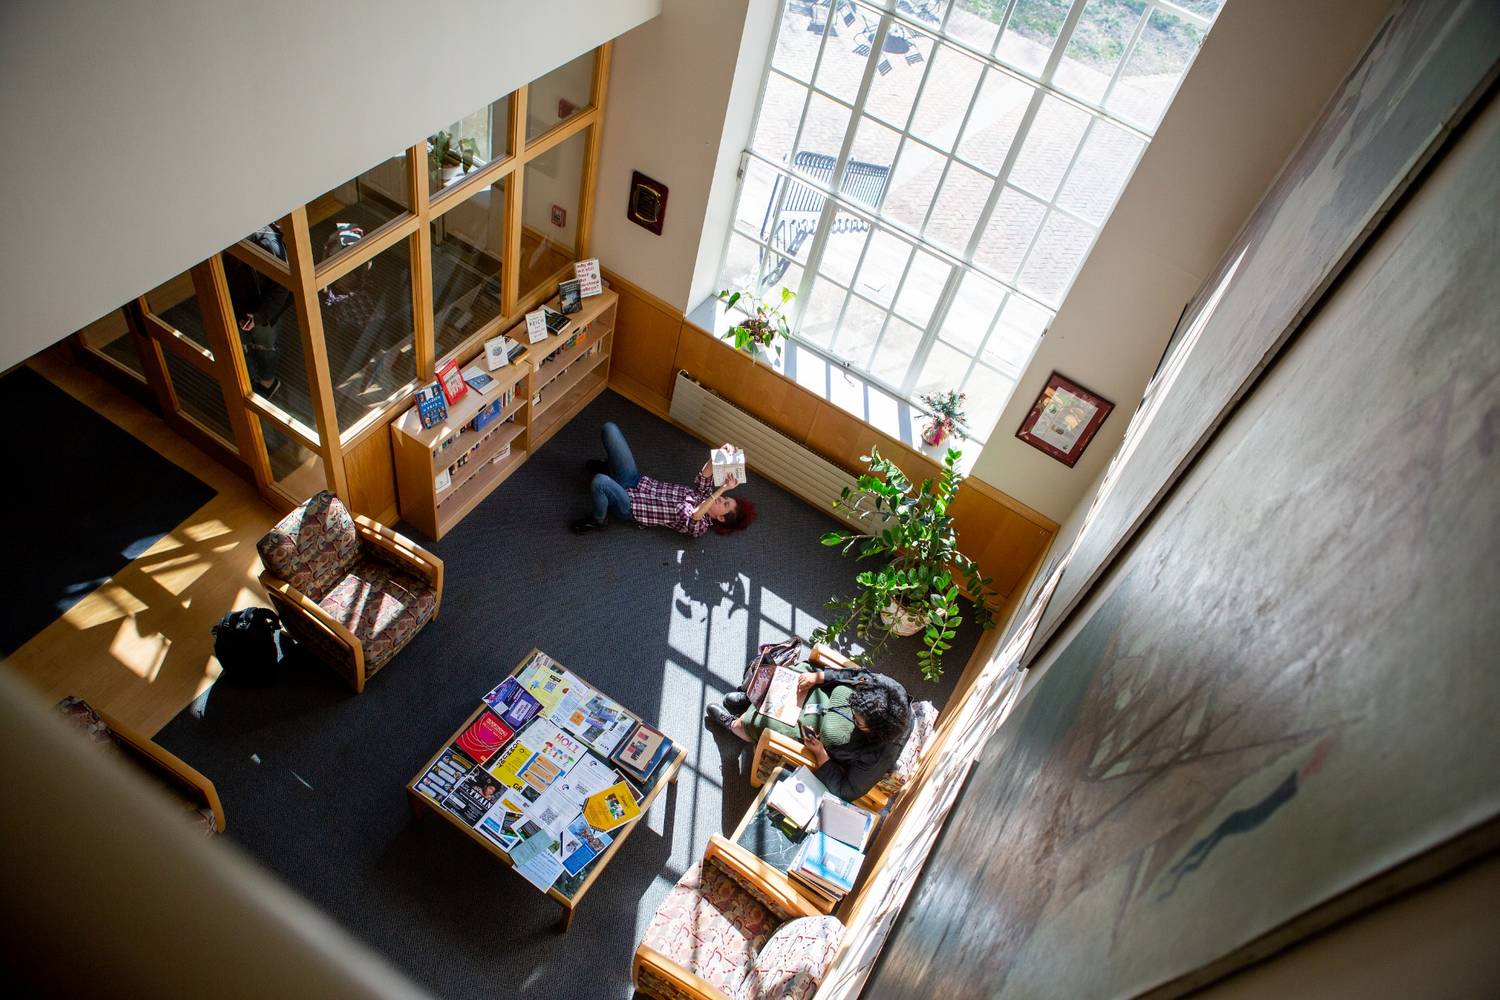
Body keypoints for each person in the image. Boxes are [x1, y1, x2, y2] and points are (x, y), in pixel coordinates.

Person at [707, 660, 912, 800]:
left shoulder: (878, 754)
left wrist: (820, 753)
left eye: (857, 720)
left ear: (871, 730)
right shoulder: (888, 690)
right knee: (801, 671)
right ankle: (755, 699)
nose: (853, 716)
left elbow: (847, 790)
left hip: (823, 738)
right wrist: (818, 678)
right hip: (831, 699)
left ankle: (736, 724)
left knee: (755, 725)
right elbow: (855, 675)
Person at [570, 422, 755, 537]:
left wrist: (722, 489)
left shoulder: (700, 527)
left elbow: (694, 514)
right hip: (635, 480)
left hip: (629, 506)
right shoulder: (704, 494)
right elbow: (706, 472)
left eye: (725, 503)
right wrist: (722, 454)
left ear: (721, 518)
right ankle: (611, 470)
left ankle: (599, 519)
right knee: (609, 429)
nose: (722, 499)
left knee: (599, 482)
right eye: (726, 499)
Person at [222, 224, 290, 398]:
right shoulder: (233, 241)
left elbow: (281, 287)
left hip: (262, 312)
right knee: (243, 345)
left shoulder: (268, 245)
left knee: (265, 346)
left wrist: (259, 316)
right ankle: (251, 379)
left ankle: (267, 381)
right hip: (238, 308)